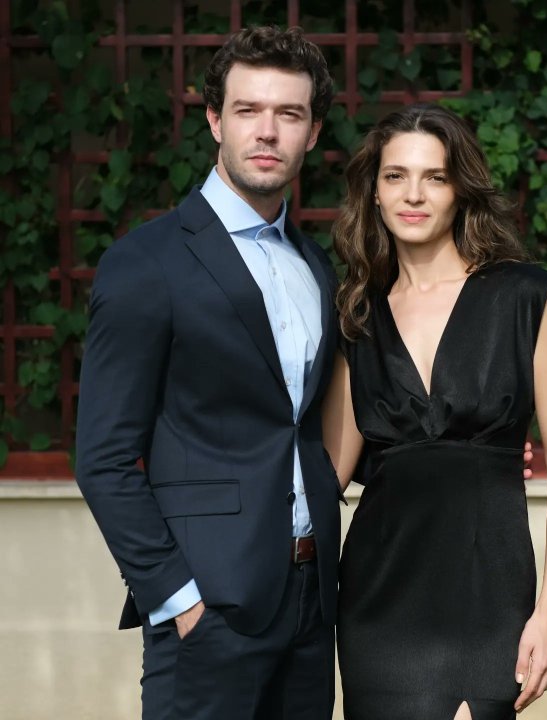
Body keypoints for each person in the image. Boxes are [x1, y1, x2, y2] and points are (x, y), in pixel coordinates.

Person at [75, 27, 343, 720]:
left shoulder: (315, 266)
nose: (268, 131)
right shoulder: (147, 263)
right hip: (209, 611)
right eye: (248, 110)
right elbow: (103, 458)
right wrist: (179, 601)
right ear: (215, 120)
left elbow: (308, 427)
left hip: (311, 604)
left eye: (289, 114)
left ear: (313, 132)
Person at [322, 104, 547, 720]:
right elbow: (328, 472)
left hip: (489, 588)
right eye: (395, 176)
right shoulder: (356, 314)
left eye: (434, 177)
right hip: (379, 597)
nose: (413, 194)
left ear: (460, 190)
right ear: (374, 191)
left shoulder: (524, 296)